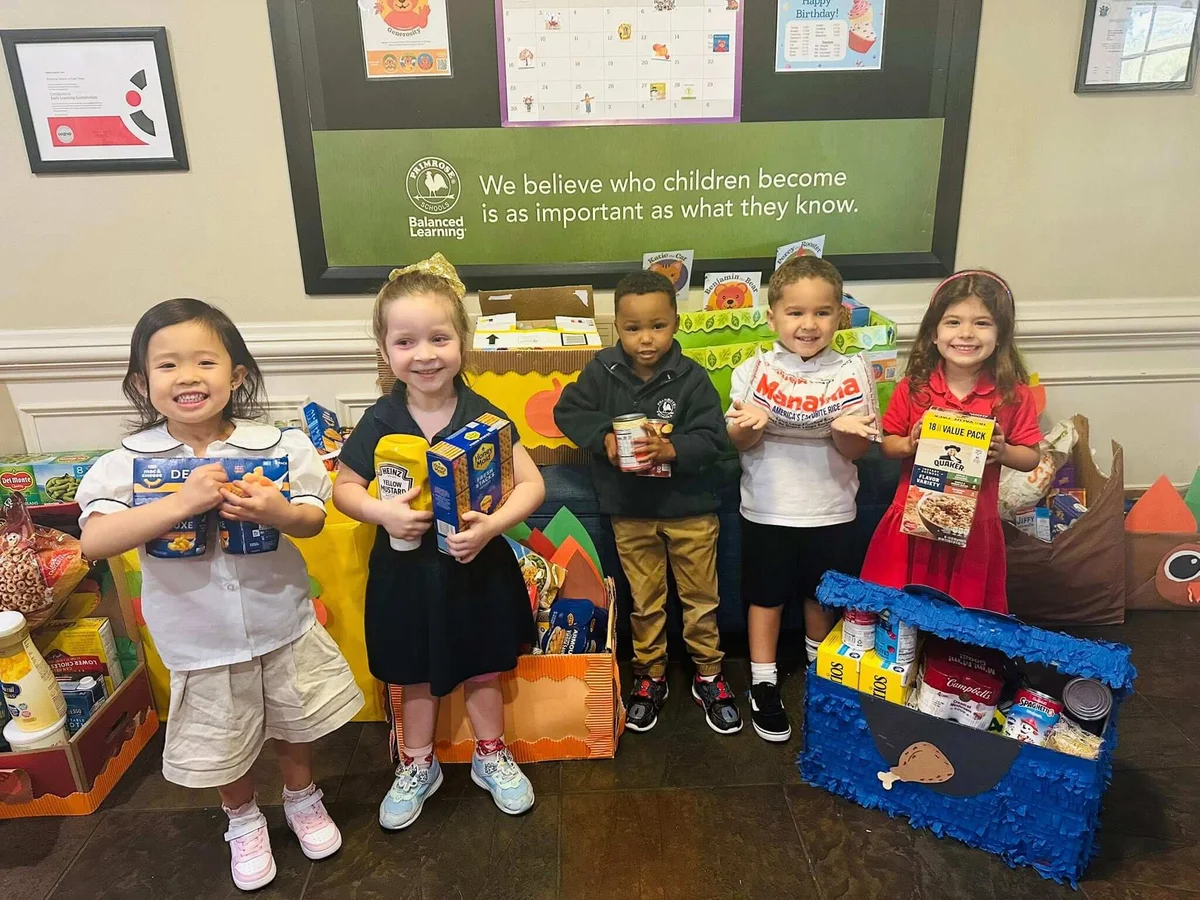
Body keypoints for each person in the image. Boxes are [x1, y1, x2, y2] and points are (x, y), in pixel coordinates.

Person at [76, 299, 363, 892]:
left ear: (236, 376)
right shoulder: (124, 466)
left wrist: (276, 510)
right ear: (141, 383)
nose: (187, 376)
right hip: (200, 637)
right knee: (224, 733)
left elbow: (311, 518)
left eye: (205, 361)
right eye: (167, 365)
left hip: (279, 619)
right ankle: (243, 817)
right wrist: (177, 504)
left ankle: (302, 796)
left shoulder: (277, 445)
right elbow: (96, 540)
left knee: (293, 716)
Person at [332, 253, 545, 831]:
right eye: (406, 342)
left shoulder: (486, 415)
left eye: (438, 338)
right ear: (385, 351)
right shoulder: (381, 419)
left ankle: (491, 754)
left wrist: (493, 526)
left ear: (462, 342)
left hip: (475, 571)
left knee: (481, 668)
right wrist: (382, 513)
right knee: (414, 673)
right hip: (405, 575)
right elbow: (343, 490)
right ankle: (417, 763)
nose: (424, 354)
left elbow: (531, 484)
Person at [554, 269, 742, 735]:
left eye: (657, 326)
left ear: (675, 323)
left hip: (691, 509)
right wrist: (604, 440)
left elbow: (714, 437)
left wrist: (673, 448)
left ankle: (709, 675)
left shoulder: (692, 378)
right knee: (646, 601)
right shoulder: (601, 371)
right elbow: (568, 411)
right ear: (616, 327)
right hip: (631, 510)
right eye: (633, 328)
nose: (645, 339)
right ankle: (649, 675)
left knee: (701, 599)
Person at [726, 257, 878, 743]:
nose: (808, 325)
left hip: (832, 507)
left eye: (822, 313)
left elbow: (858, 450)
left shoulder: (855, 372)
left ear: (841, 316)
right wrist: (745, 428)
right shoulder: (753, 370)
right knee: (765, 596)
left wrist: (847, 433)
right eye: (795, 313)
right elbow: (739, 444)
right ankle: (764, 682)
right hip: (767, 506)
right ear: (772, 317)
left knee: (821, 594)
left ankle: (819, 666)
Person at [861, 269, 1042, 612]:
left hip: (973, 527)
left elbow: (1031, 457)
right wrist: (910, 445)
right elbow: (887, 445)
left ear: (1001, 334)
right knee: (900, 608)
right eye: (953, 322)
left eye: (982, 323)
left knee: (964, 614)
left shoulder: (1013, 395)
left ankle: (955, 663)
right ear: (933, 333)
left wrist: (1003, 451)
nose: (967, 334)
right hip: (911, 524)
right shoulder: (913, 388)